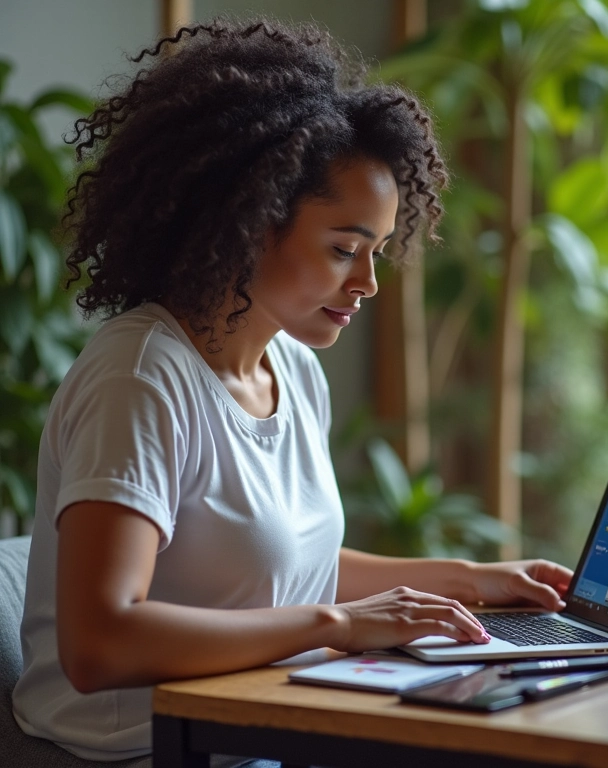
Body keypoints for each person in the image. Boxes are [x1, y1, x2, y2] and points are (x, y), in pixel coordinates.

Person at [12, 16, 573, 767]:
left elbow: (275, 565)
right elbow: (100, 643)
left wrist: (471, 581)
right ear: (246, 221)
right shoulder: (140, 379)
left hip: (261, 728)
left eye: (376, 252)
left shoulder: (293, 367)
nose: (368, 283)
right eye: (344, 249)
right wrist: (339, 625)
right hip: (142, 753)